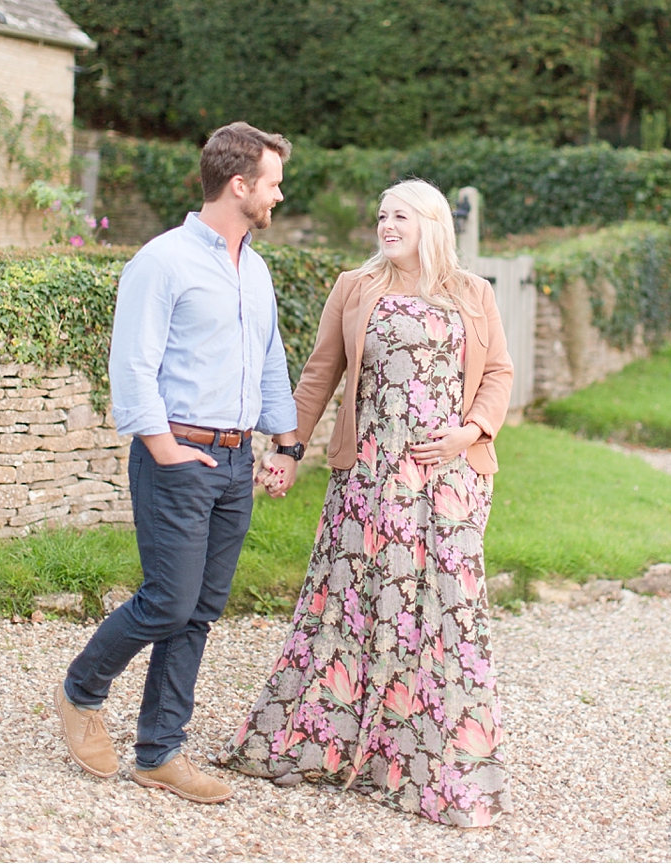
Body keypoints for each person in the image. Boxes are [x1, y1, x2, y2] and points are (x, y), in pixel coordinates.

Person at [217, 179, 514, 827]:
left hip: (451, 480)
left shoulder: (473, 292)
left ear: (432, 223)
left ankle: (438, 768)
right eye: (381, 214)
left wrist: (470, 432)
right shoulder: (356, 287)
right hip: (371, 477)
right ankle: (340, 746)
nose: (386, 223)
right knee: (354, 602)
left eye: (400, 215)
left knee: (445, 613)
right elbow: (320, 373)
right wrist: (288, 449)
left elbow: (498, 374)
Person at [54, 122, 304, 804]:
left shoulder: (255, 268)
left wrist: (284, 444)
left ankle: (160, 752)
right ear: (239, 184)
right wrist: (164, 448)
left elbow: (270, 362)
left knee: (199, 612)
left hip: (235, 459)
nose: (280, 196)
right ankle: (81, 691)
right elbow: (132, 362)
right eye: (273, 184)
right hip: (178, 457)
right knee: (167, 601)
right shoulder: (161, 262)